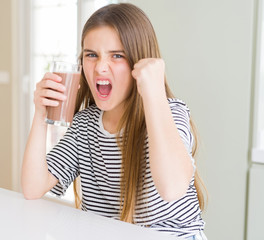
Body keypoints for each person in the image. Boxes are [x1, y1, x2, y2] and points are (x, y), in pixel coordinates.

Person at [22, 3, 207, 240]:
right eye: (91, 55)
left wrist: (154, 93)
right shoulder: (84, 125)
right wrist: (40, 113)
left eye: (117, 55)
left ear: (139, 63)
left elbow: (172, 188)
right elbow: (32, 187)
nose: (100, 67)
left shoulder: (169, 113)